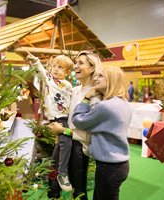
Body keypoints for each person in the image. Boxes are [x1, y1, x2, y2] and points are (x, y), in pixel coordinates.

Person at [47, 50, 102, 199]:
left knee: (79, 190)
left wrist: (64, 131)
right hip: (64, 141)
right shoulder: (74, 90)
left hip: (79, 147)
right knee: (52, 178)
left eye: (81, 63)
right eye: (75, 63)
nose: (76, 66)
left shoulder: (95, 95)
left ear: (92, 68)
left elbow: (90, 132)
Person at [72, 66, 132, 200]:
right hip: (119, 165)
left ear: (111, 80)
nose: (95, 78)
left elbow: (78, 120)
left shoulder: (106, 106)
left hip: (108, 167)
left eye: (100, 76)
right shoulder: (123, 102)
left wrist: (86, 98)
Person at [26, 52, 73, 192]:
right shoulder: (49, 80)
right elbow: (41, 70)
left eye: (60, 67)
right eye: (54, 66)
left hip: (67, 117)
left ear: (67, 72)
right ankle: (62, 173)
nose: (56, 69)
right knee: (66, 143)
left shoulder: (68, 85)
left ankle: (53, 186)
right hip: (56, 118)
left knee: (58, 151)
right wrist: (35, 61)